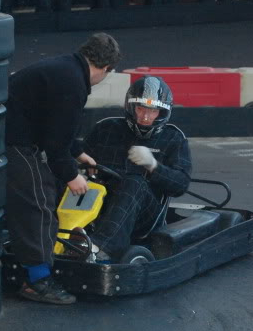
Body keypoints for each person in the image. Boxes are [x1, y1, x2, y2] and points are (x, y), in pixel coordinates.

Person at [5, 33, 121, 304]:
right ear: (105, 69)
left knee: (44, 191)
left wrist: (78, 153)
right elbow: (55, 144)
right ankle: (38, 281)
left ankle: (37, 262)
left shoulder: (65, 68)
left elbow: (56, 125)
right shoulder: (73, 83)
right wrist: (72, 176)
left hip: (7, 132)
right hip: (14, 141)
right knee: (39, 202)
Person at [81, 75, 192, 263]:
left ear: (162, 113)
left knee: (134, 181)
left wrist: (153, 166)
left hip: (144, 216)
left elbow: (180, 185)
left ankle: (100, 249)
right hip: (96, 204)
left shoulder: (173, 138)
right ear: (131, 107)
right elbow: (77, 158)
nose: (145, 117)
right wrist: (80, 171)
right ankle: (47, 236)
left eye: (153, 111)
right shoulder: (106, 129)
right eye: (141, 109)